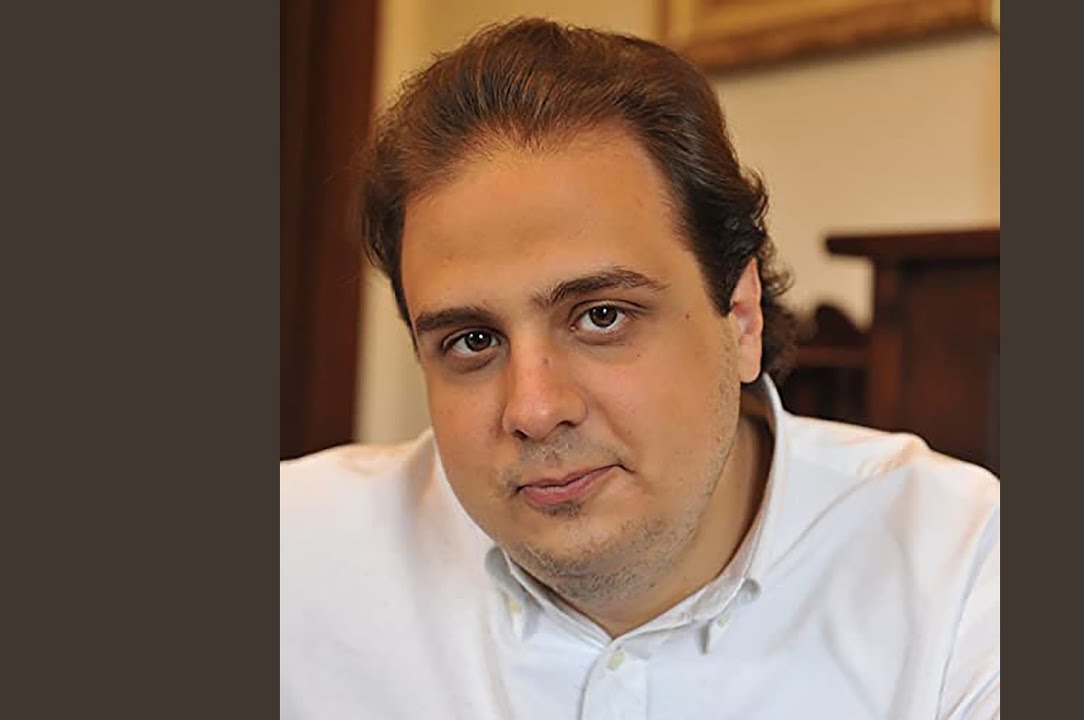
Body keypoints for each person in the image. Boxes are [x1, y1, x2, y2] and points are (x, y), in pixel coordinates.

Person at [280, 17, 999, 720]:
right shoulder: (294, 554)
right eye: (473, 340)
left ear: (741, 316)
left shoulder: (963, 574)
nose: (534, 409)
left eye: (601, 316)